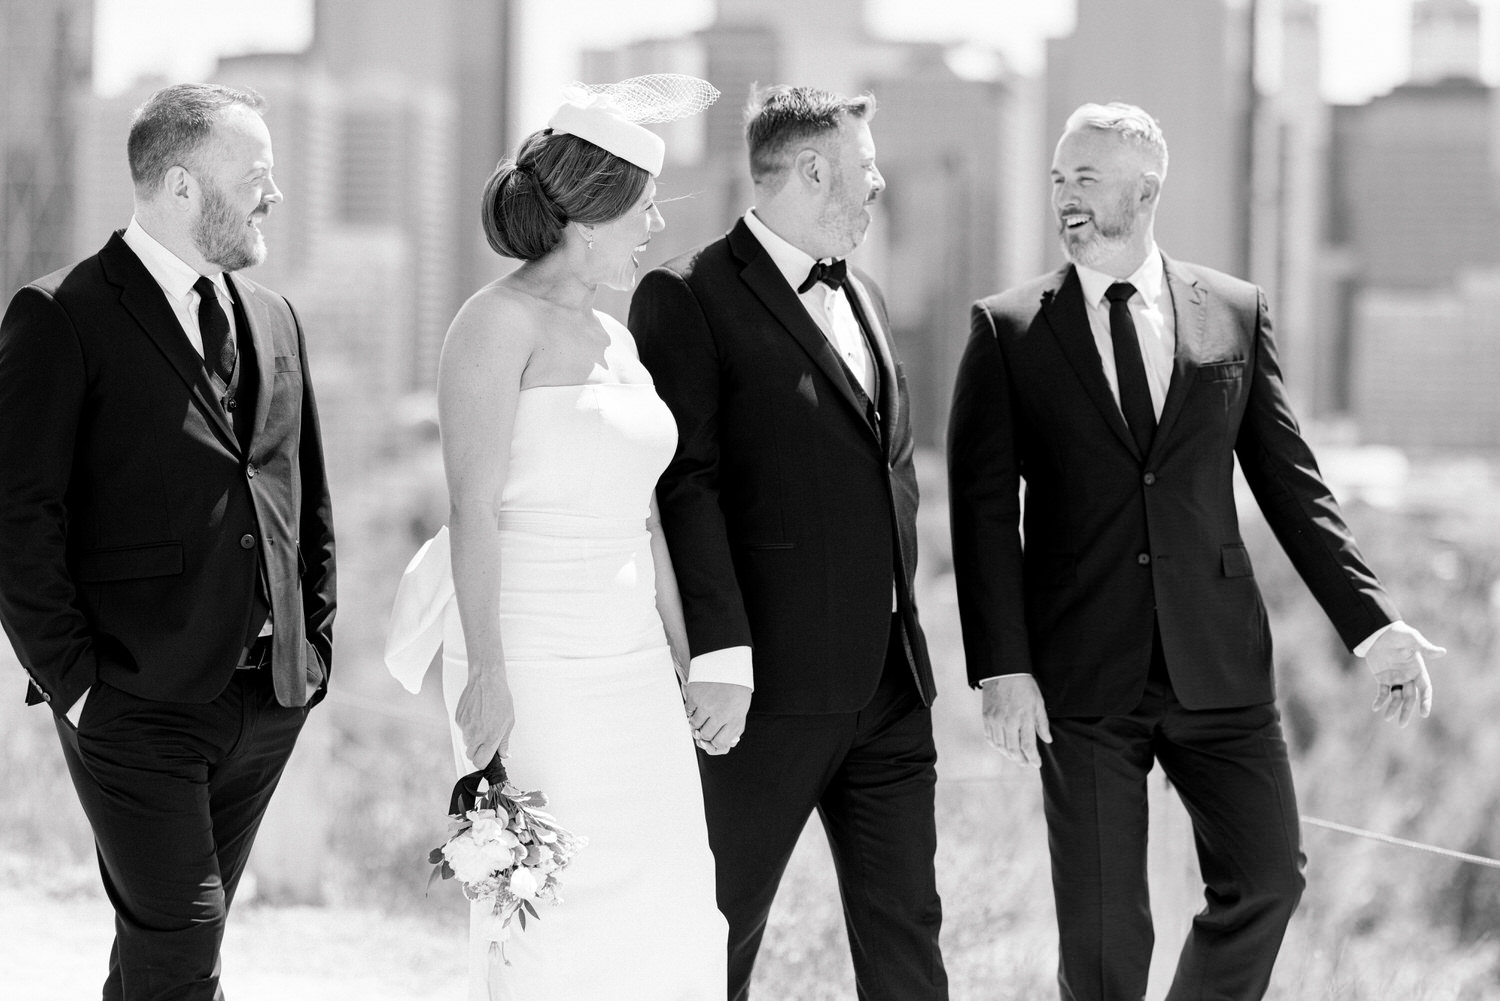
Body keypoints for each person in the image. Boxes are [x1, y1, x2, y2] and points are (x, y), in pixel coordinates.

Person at [947, 101, 1446, 1001]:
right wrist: (1001, 668)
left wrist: (1376, 627)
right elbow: (982, 514)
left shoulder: (1236, 313)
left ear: (1146, 191)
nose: (1064, 197)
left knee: (1266, 880)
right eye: (1059, 178)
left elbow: (1294, 486)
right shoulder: (1008, 328)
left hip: (1219, 665)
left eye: (1085, 179)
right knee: (1105, 941)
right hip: (1081, 672)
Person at [383, 76, 727, 1001]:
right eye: (645, 211)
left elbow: (644, 513)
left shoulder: (618, 336)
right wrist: (489, 672)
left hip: (630, 663)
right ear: (591, 214)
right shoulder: (492, 324)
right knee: (548, 901)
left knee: (671, 894)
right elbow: (473, 508)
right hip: (531, 653)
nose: (655, 230)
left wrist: (686, 656)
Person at [0, 82, 336, 1000]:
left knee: (171, 947)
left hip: (268, 699)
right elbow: (19, 518)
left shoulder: (276, 318)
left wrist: (317, 649)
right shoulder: (61, 313)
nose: (274, 195)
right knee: (183, 940)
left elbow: (303, 498)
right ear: (183, 187)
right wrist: (77, 687)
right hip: (133, 701)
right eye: (257, 174)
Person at [629, 85, 948, 1001]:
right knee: (716, 930)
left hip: (890, 683)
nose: (879, 183)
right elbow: (683, 481)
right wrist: (719, 652)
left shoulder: (871, 296)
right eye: (867, 166)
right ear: (814, 169)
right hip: (760, 690)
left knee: (908, 934)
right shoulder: (686, 296)